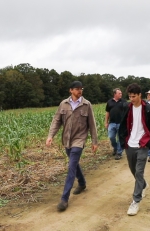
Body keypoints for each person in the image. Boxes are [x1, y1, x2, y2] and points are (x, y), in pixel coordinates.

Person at [46, 81, 99, 212]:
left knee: (71, 166)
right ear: (71, 90)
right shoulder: (64, 104)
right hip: (67, 140)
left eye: (81, 88)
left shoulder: (86, 105)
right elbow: (57, 121)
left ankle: (64, 199)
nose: (79, 91)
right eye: (77, 89)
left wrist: (94, 141)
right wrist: (50, 135)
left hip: (79, 140)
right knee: (74, 164)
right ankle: (82, 183)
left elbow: (92, 124)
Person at [119, 83, 150, 216]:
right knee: (134, 171)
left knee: (139, 172)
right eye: (129, 96)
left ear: (140, 95)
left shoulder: (148, 109)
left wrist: (147, 142)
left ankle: (136, 201)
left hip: (142, 144)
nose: (132, 99)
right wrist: (123, 140)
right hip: (130, 144)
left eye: (134, 96)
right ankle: (143, 184)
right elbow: (123, 125)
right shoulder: (127, 108)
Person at [105, 88, 126, 160]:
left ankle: (119, 153)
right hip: (112, 123)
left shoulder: (123, 102)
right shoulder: (109, 102)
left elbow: (127, 112)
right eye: (119, 93)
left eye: (121, 93)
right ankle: (116, 148)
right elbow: (107, 112)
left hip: (121, 123)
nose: (121, 94)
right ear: (115, 94)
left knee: (120, 138)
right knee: (111, 137)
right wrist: (106, 122)